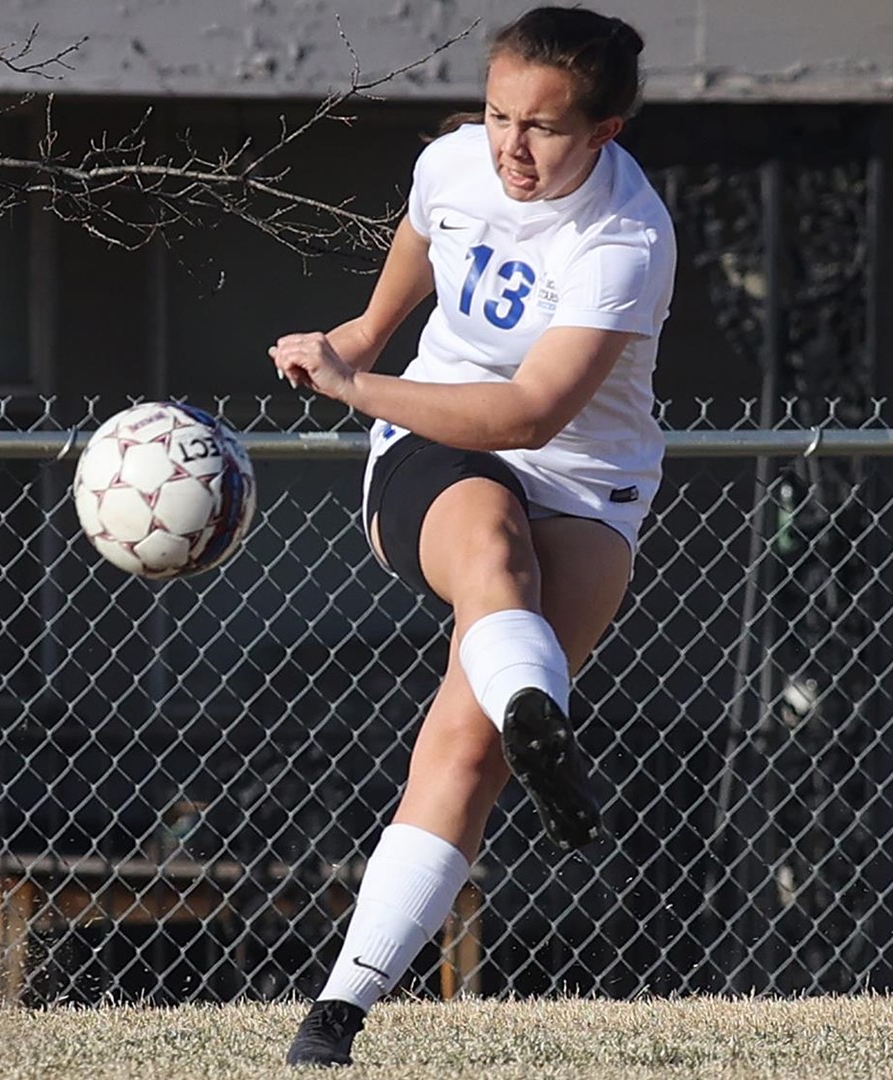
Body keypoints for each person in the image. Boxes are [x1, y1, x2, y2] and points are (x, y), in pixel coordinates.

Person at [267, 6, 673, 1066]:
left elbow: (532, 416)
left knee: (470, 746)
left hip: (584, 479)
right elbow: (425, 224)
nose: (510, 146)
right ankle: (537, 700)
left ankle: (335, 1017)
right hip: (433, 442)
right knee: (493, 554)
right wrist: (364, 339)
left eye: (542, 128)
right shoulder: (454, 162)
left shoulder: (623, 240)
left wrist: (356, 384)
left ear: (604, 134)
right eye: (498, 115)